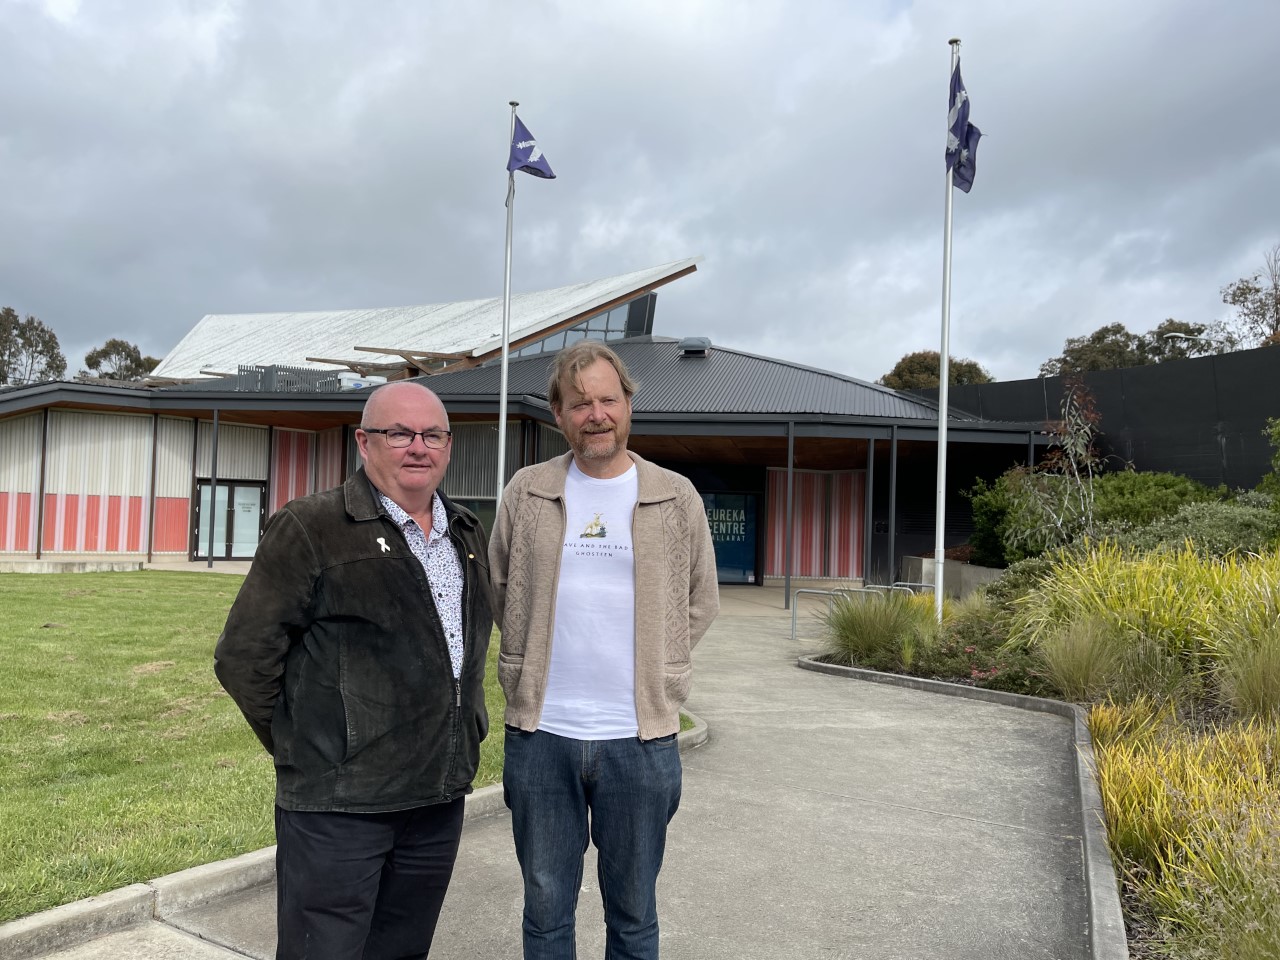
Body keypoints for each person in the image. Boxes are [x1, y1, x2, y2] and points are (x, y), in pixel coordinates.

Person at [214, 380, 492, 960]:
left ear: (448, 445)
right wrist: (312, 745)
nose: (418, 447)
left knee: (401, 950)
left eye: (433, 435)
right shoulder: (311, 528)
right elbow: (244, 658)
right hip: (340, 808)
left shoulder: (465, 532)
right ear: (364, 443)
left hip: (436, 800)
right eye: (399, 433)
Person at [489, 340, 720, 960]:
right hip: (542, 735)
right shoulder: (527, 492)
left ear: (628, 406)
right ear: (559, 414)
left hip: (639, 740)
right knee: (544, 910)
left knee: (635, 912)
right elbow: (501, 584)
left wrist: (662, 663)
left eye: (606, 400)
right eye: (579, 402)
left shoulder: (675, 496)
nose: (595, 414)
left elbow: (701, 599)